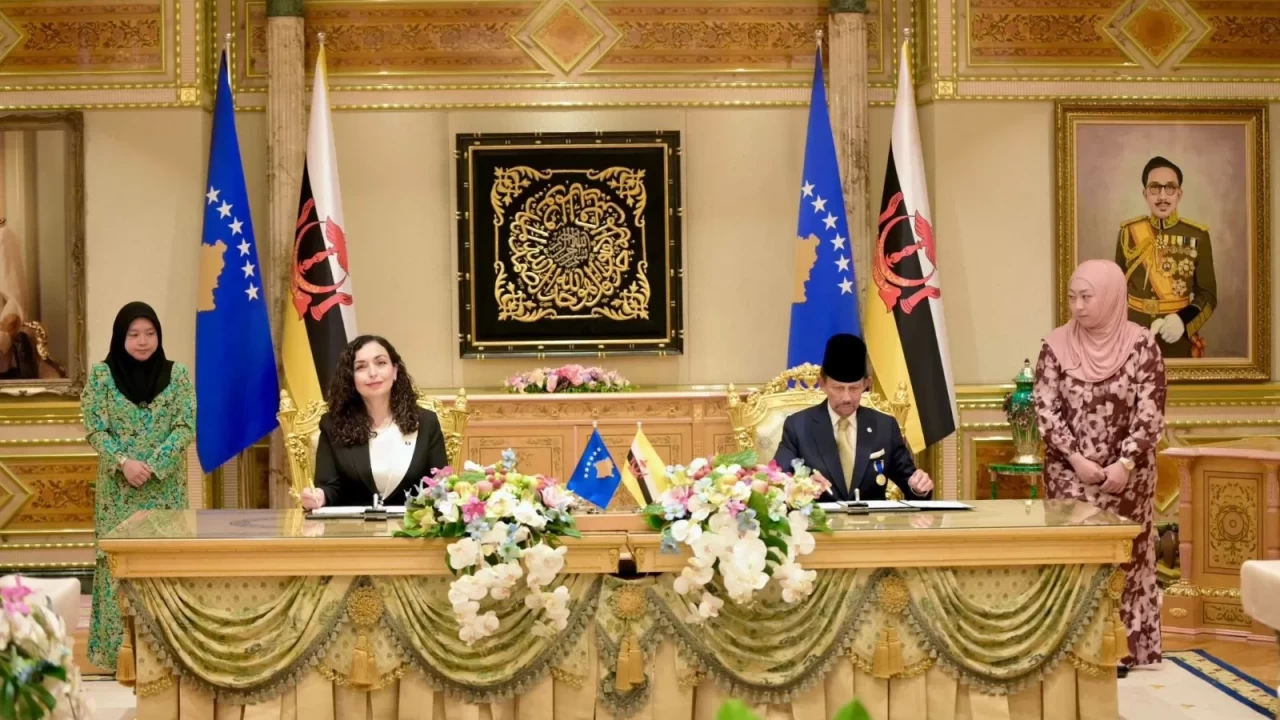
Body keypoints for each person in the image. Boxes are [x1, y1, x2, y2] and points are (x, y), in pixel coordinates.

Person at [1034, 259, 1167, 675]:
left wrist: (1124, 464)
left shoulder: (1142, 346)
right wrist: (1076, 459)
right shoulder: (1055, 346)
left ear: (1109, 297)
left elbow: (1151, 412)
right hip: (1070, 475)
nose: (1077, 306)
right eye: (1072, 297)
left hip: (1128, 479)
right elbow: (1045, 409)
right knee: (1076, 559)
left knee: (1124, 560)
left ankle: (1120, 648)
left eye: (1086, 297)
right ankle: (1075, 646)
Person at [81, 302, 194, 672]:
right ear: (120, 337)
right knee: (117, 564)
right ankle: (119, 656)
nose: (143, 341)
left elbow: (185, 426)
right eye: (134, 334)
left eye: (149, 333)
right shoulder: (101, 377)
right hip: (119, 490)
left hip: (165, 490)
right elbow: (95, 427)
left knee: (165, 563)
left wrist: (154, 464)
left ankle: (167, 651)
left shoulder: (177, 375)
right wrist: (124, 463)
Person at [774, 333, 933, 502]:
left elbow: (911, 484)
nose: (847, 398)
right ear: (822, 384)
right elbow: (777, 483)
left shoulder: (885, 426)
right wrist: (802, 486)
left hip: (873, 519)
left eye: (854, 388)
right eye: (838, 388)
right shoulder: (798, 426)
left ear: (866, 384)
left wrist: (919, 487)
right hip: (820, 518)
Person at [299, 335, 447, 509]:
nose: (372, 373)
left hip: (412, 523)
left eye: (381, 363)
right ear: (351, 378)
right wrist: (317, 497)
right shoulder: (333, 424)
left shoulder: (426, 422)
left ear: (395, 371)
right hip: (353, 524)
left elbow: (439, 483)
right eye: (361, 367)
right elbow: (329, 487)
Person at [1115, 156, 1217, 358]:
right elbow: (1116, 290)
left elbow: (1208, 296)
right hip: (1132, 338)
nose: (1162, 196)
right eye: (1155, 188)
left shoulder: (1198, 236)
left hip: (1177, 339)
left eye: (1170, 188)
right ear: (1145, 194)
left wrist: (1182, 320)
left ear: (1179, 194)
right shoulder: (1128, 233)